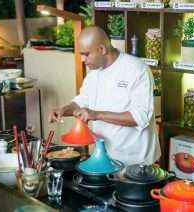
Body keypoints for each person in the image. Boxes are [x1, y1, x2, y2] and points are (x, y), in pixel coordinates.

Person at [49, 26, 161, 165]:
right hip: (104, 158)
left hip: (136, 162)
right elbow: (82, 102)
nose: (83, 59)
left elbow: (140, 117)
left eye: (86, 54)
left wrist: (96, 115)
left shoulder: (136, 69)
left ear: (101, 49)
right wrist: (64, 110)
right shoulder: (93, 74)